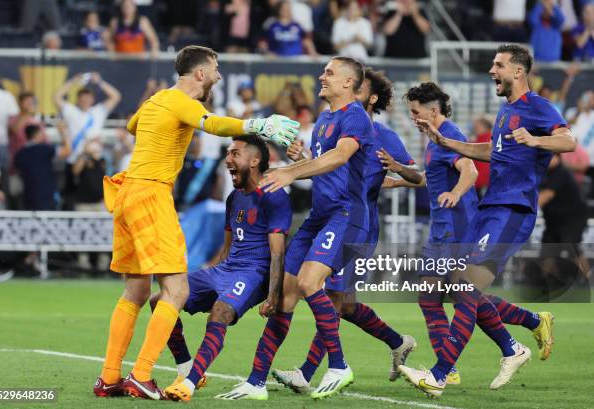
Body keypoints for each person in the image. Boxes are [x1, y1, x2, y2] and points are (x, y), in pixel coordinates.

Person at [92, 45, 299, 400]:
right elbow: (213, 124)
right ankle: (141, 375)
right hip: (151, 195)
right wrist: (257, 125)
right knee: (178, 290)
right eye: (216, 69)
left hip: (127, 194)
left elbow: (132, 124)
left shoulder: (158, 99)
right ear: (200, 73)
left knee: (137, 291)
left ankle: (109, 376)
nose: (218, 76)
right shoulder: (182, 101)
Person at [398, 44, 575, 397]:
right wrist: (444, 140)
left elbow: (568, 141)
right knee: (461, 289)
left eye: (498, 65)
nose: (492, 70)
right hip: (489, 210)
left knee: (465, 290)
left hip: (513, 210)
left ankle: (439, 374)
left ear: (518, 72)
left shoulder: (536, 107)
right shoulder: (505, 110)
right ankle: (516, 345)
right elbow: (488, 152)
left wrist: (538, 140)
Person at [217, 56, 373, 401]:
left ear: (349, 82)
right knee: (284, 297)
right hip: (320, 215)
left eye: (329, 72)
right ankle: (256, 382)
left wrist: (290, 173)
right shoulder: (324, 120)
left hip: (347, 215)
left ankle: (339, 365)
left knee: (308, 282)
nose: (322, 76)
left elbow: (341, 157)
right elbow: (325, 168)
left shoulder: (355, 116)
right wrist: (299, 161)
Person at [269, 67, 422, 394]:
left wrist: (396, 171)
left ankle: (310, 372)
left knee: (332, 298)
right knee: (344, 303)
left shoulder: (383, 135)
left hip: (356, 221)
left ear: (370, 96)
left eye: (359, 88)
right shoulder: (333, 122)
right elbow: (331, 172)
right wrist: (304, 160)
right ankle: (397, 342)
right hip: (329, 216)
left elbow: (419, 177)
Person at [152, 136, 292, 401]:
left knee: (220, 312)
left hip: (254, 273)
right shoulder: (233, 198)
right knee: (160, 299)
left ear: (254, 160)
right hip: (226, 269)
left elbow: (277, 252)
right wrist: (209, 275)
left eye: (235, 154)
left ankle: (189, 385)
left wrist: (272, 296)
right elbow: (227, 248)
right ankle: (186, 368)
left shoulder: (273, 196)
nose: (227, 159)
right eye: (228, 153)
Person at [53, 72, 121, 166]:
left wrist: (100, 82)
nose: (85, 100)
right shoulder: (72, 111)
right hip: (74, 159)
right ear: (77, 99)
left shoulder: (98, 111)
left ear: (93, 100)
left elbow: (116, 96)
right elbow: (56, 97)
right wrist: (72, 81)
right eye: (82, 98)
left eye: (88, 98)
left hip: (94, 158)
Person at [14, 124, 70, 211]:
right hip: (48, 197)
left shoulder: (20, 154)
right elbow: (67, 151)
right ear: (38, 134)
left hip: (29, 197)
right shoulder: (44, 149)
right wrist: (63, 133)